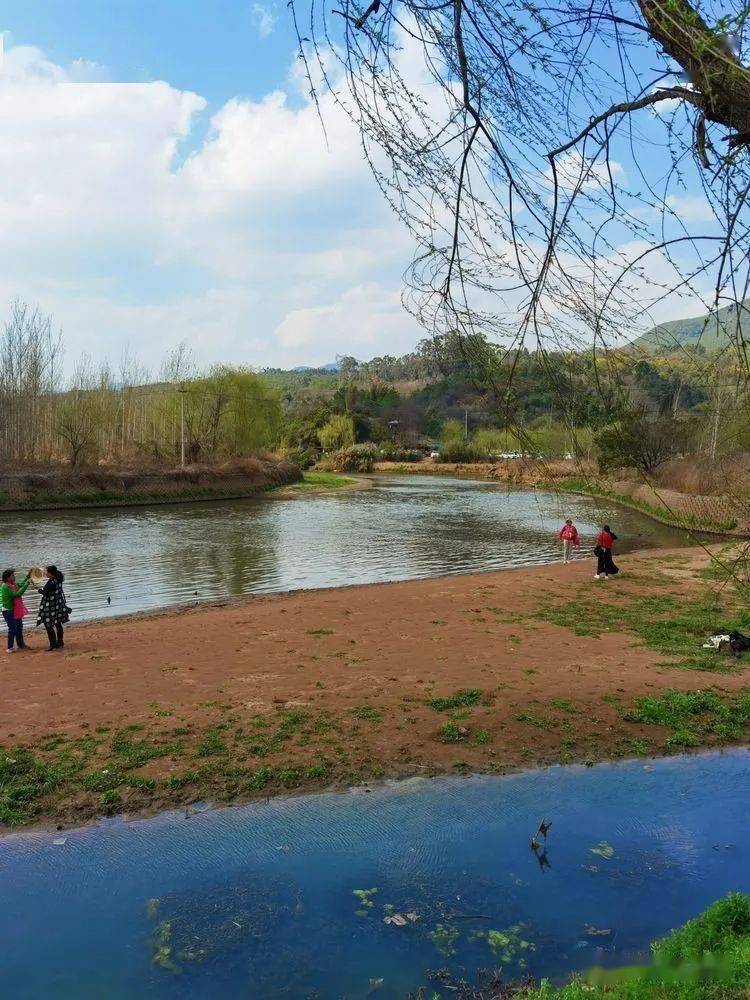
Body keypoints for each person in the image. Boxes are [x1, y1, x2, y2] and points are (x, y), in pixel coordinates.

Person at [37, 565, 69, 651]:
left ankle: (53, 644)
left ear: (51, 573)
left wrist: (38, 589)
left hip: (50, 606)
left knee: (48, 625)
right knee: (58, 623)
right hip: (58, 604)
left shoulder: (51, 582)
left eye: (47, 572)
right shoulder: (58, 578)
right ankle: (60, 642)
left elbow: (46, 593)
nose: (45, 573)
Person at [0, 569, 32, 653]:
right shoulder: (5, 586)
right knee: (13, 628)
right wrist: (27, 584)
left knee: (19, 627)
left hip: (15, 609)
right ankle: (9, 647)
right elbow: (16, 594)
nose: (15, 577)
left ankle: (21, 645)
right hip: (8, 610)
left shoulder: (12, 584)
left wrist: (27, 577)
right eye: (13, 576)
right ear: (8, 578)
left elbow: (20, 585)